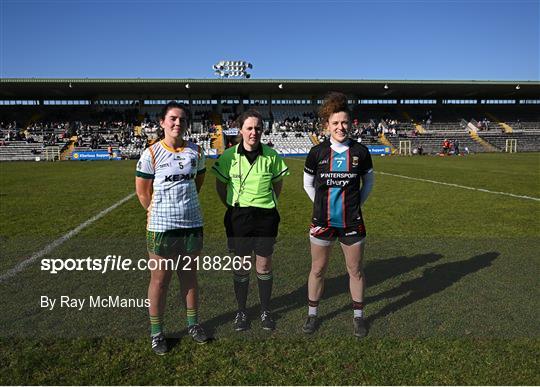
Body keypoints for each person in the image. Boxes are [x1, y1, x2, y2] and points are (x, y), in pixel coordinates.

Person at [135, 101, 208, 355]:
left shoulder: (196, 152)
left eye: (182, 120)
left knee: (188, 277)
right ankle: (157, 333)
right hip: (161, 227)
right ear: (163, 122)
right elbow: (143, 193)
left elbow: (197, 183)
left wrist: (183, 208)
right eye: (173, 119)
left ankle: (193, 324)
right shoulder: (151, 153)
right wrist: (159, 213)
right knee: (160, 280)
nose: (178, 123)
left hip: (191, 224)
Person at [302, 92, 374, 338]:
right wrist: (320, 206)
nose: (340, 127)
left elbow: (369, 184)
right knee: (318, 269)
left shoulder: (361, 152)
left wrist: (355, 206)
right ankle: (312, 315)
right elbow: (307, 185)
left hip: (351, 223)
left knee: (355, 270)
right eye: (335, 123)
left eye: (344, 122)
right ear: (327, 125)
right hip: (322, 222)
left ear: (351, 123)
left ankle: (358, 317)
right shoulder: (317, 152)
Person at [211, 110, 289, 332]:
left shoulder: (272, 156)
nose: (253, 132)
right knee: (242, 265)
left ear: (262, 130)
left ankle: (265, 310)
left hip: (266, 216)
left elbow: (278, 185)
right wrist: (232, 205)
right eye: (249, 128)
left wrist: (265, 203)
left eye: (257, 128)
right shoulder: (228, 157)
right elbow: (220, 185)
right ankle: (242, 311)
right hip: (239, 217)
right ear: (241, 130)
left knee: (263, 265)